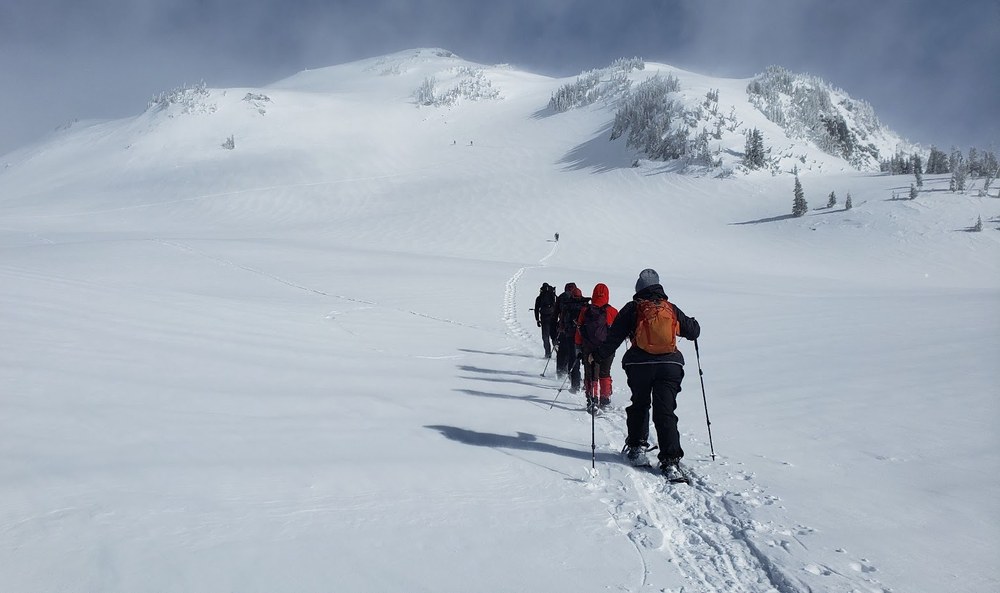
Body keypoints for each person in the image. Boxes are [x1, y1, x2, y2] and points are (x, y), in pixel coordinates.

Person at [596, 269, 700, 478]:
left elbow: (613, 338)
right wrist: (693, 323)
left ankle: (637, 448)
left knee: (640, 404)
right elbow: (693, 331)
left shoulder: (633, 308)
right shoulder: (670, 308)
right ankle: (670, 461)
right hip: (670, 366)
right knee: (665, 411)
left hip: (639, 364)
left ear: (638, 289)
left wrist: (596, 356)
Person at [576, 283, 618, 413]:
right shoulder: (612, 311)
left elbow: (579, 329)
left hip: (588, 348)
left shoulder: (585, 310)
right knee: (604, 373)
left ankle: (591, 400)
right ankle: (605, 400)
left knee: (590, 375)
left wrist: (578, 346)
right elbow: (618, 331)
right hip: (606, 349)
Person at [555, 286, 588, 392]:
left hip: (570, 336)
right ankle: (588, 385)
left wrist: (561, 330)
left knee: (573, 359)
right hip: (584, 337)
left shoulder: (567, 306)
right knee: (587, 361)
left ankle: (575, 385)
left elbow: (562, 322)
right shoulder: (586, 306)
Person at [533, 283, 557, 358]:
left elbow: (536, 309)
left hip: (544, 318)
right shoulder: (554, 296)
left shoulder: (539, 298)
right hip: (553, 318)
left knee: (545, 337)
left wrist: (537, 319)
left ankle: (548, 354)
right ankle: (558, 352)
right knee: (554, 336)